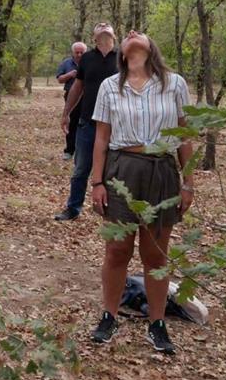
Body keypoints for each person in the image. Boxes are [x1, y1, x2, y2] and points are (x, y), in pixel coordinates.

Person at [88, 30, 194, 354]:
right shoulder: (110, 86)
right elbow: (102, 139)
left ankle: (157, 323)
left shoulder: (174, 83)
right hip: (122, 170)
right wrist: (96, 182)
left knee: (155, 255)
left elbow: (185, 135)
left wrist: (188, 182)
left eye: (141, 33)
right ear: (121, 51)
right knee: (117, 250)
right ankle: (109, 315)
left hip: (162, 171)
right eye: (128, 34)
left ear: (152, 46)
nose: (133, 34)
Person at [55, 23, 118, 221]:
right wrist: (66, 113)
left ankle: (111, 209)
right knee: (81, 168)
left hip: (117, 126)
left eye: (107, 25)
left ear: (114, 36)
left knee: (114, 170)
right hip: (88, 123)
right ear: (94, 37)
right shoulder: (87, 58)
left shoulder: (123, 58)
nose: (103, 25)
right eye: (99, 26)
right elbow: (77, 87)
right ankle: (73, 208)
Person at [56, 42, 87, 160]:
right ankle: (69, 150)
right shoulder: (66, 63)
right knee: (71, 122)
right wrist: (70, 74)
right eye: (77, 52)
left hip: (88, 96)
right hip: (70, 96)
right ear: (73, 52)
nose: (79, 55)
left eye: (81, 52)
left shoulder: (89, 62)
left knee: (85, 123)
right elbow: (59, 79)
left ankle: (83, 151)